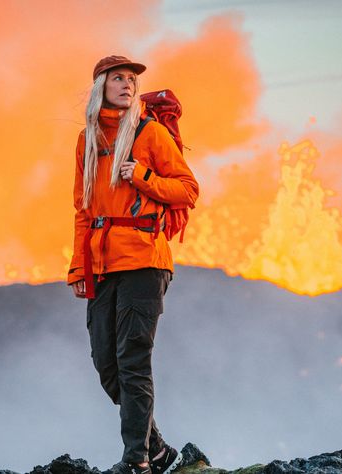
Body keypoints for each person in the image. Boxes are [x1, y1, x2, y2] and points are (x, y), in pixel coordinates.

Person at [67, 55, 199, 474]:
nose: (127, 85)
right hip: (104, 263)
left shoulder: (150, 132)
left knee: (133, 359)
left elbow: (188, 190)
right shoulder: (87, 140)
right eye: (118, 78)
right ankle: (157, 448)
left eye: (131, 80)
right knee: (107, 363)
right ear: (100, 86)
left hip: (145, 258)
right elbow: (82, 209)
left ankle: (137, 461)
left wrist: (141, 175)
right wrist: (77, 266)